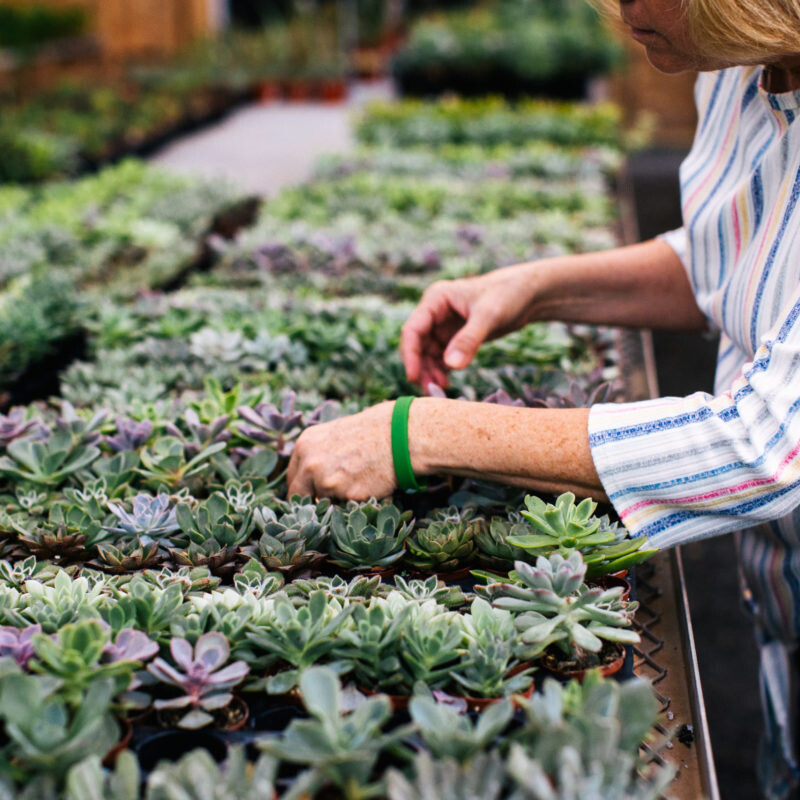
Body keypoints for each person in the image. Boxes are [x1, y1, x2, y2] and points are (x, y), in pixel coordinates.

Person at [287, 1, 800, 795]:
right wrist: (535, 289)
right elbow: (729, 264)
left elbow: (771, 441)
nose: (623, 8)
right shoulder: (738, 74)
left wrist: (425, 431)